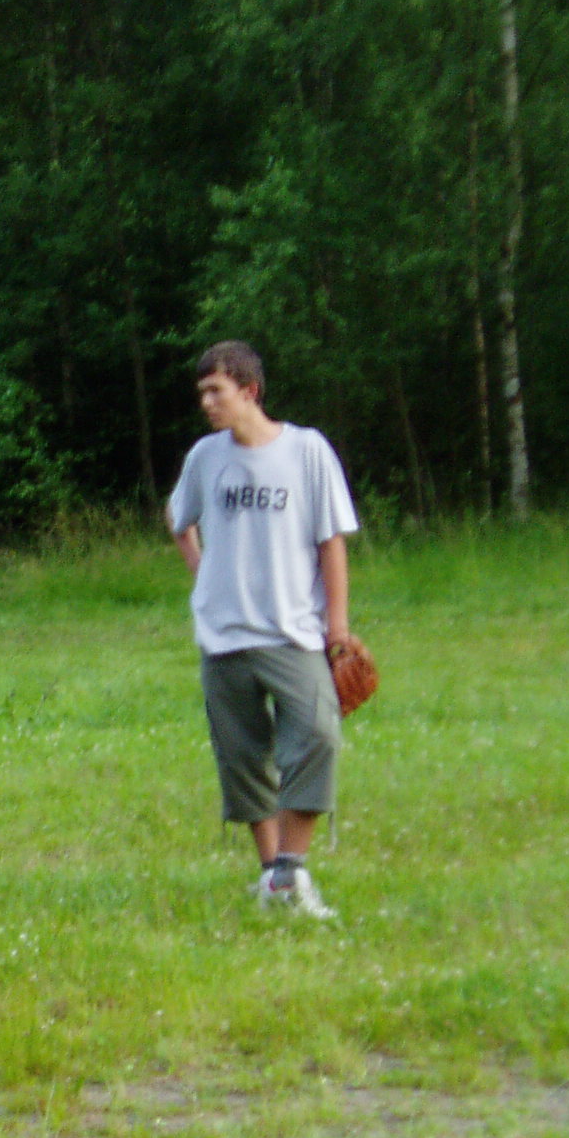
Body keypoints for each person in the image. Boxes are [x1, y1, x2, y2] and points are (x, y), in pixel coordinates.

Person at [165, 341, 359, 920]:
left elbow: (331, 540)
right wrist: (203, 575)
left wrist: (337, 624)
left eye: (216, 391)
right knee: (244, 760)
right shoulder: (206, 457)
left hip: (292, 630)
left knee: (317, 735)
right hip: (224, 635)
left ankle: (290, 869)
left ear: (249, 391)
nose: (206, 402)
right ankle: (274, 880)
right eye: (202, 392)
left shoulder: (306, 450)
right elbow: (179, 518)